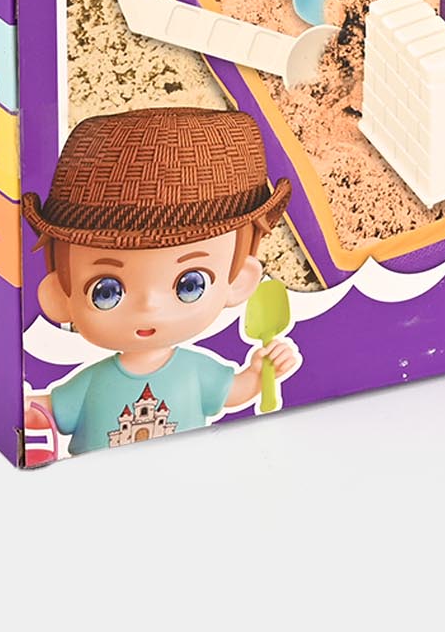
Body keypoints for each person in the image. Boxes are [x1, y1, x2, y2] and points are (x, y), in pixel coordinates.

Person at [23, 107, 301, 454]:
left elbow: (232, 393)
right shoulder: (94, 382)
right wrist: (15, 406)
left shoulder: (194, 370)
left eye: (189, 285)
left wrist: (260, 374)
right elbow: (48, 410)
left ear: (241, 280)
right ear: (58, 295)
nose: (149, 307)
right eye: (107, 291)